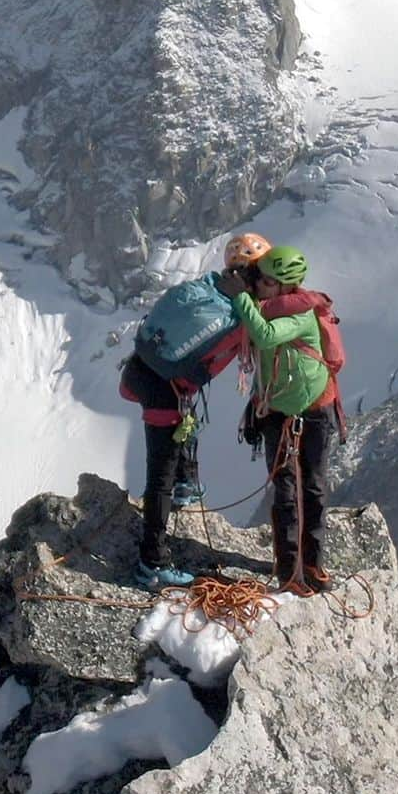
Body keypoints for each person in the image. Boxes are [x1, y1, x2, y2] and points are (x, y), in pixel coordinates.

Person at [120, 232, 272, 589]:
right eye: (264, 275)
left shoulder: (209, 288)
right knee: (160, 478)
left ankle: (186, 482)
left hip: (143, 372)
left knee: (175, 451)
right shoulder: (234, 314)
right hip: (165, 390)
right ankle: (151, 563)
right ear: (250, 275)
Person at [218, 245, 335, 596]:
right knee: (289, 490)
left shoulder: (300, 313)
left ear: (286, 286)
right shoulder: (270, 307)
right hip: (285, 410)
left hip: (308, 411)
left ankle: (310, 564)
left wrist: (240, 299)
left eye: (267, 281)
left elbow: (265, 336)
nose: (261, 287)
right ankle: (291, 572)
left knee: (309, 487)